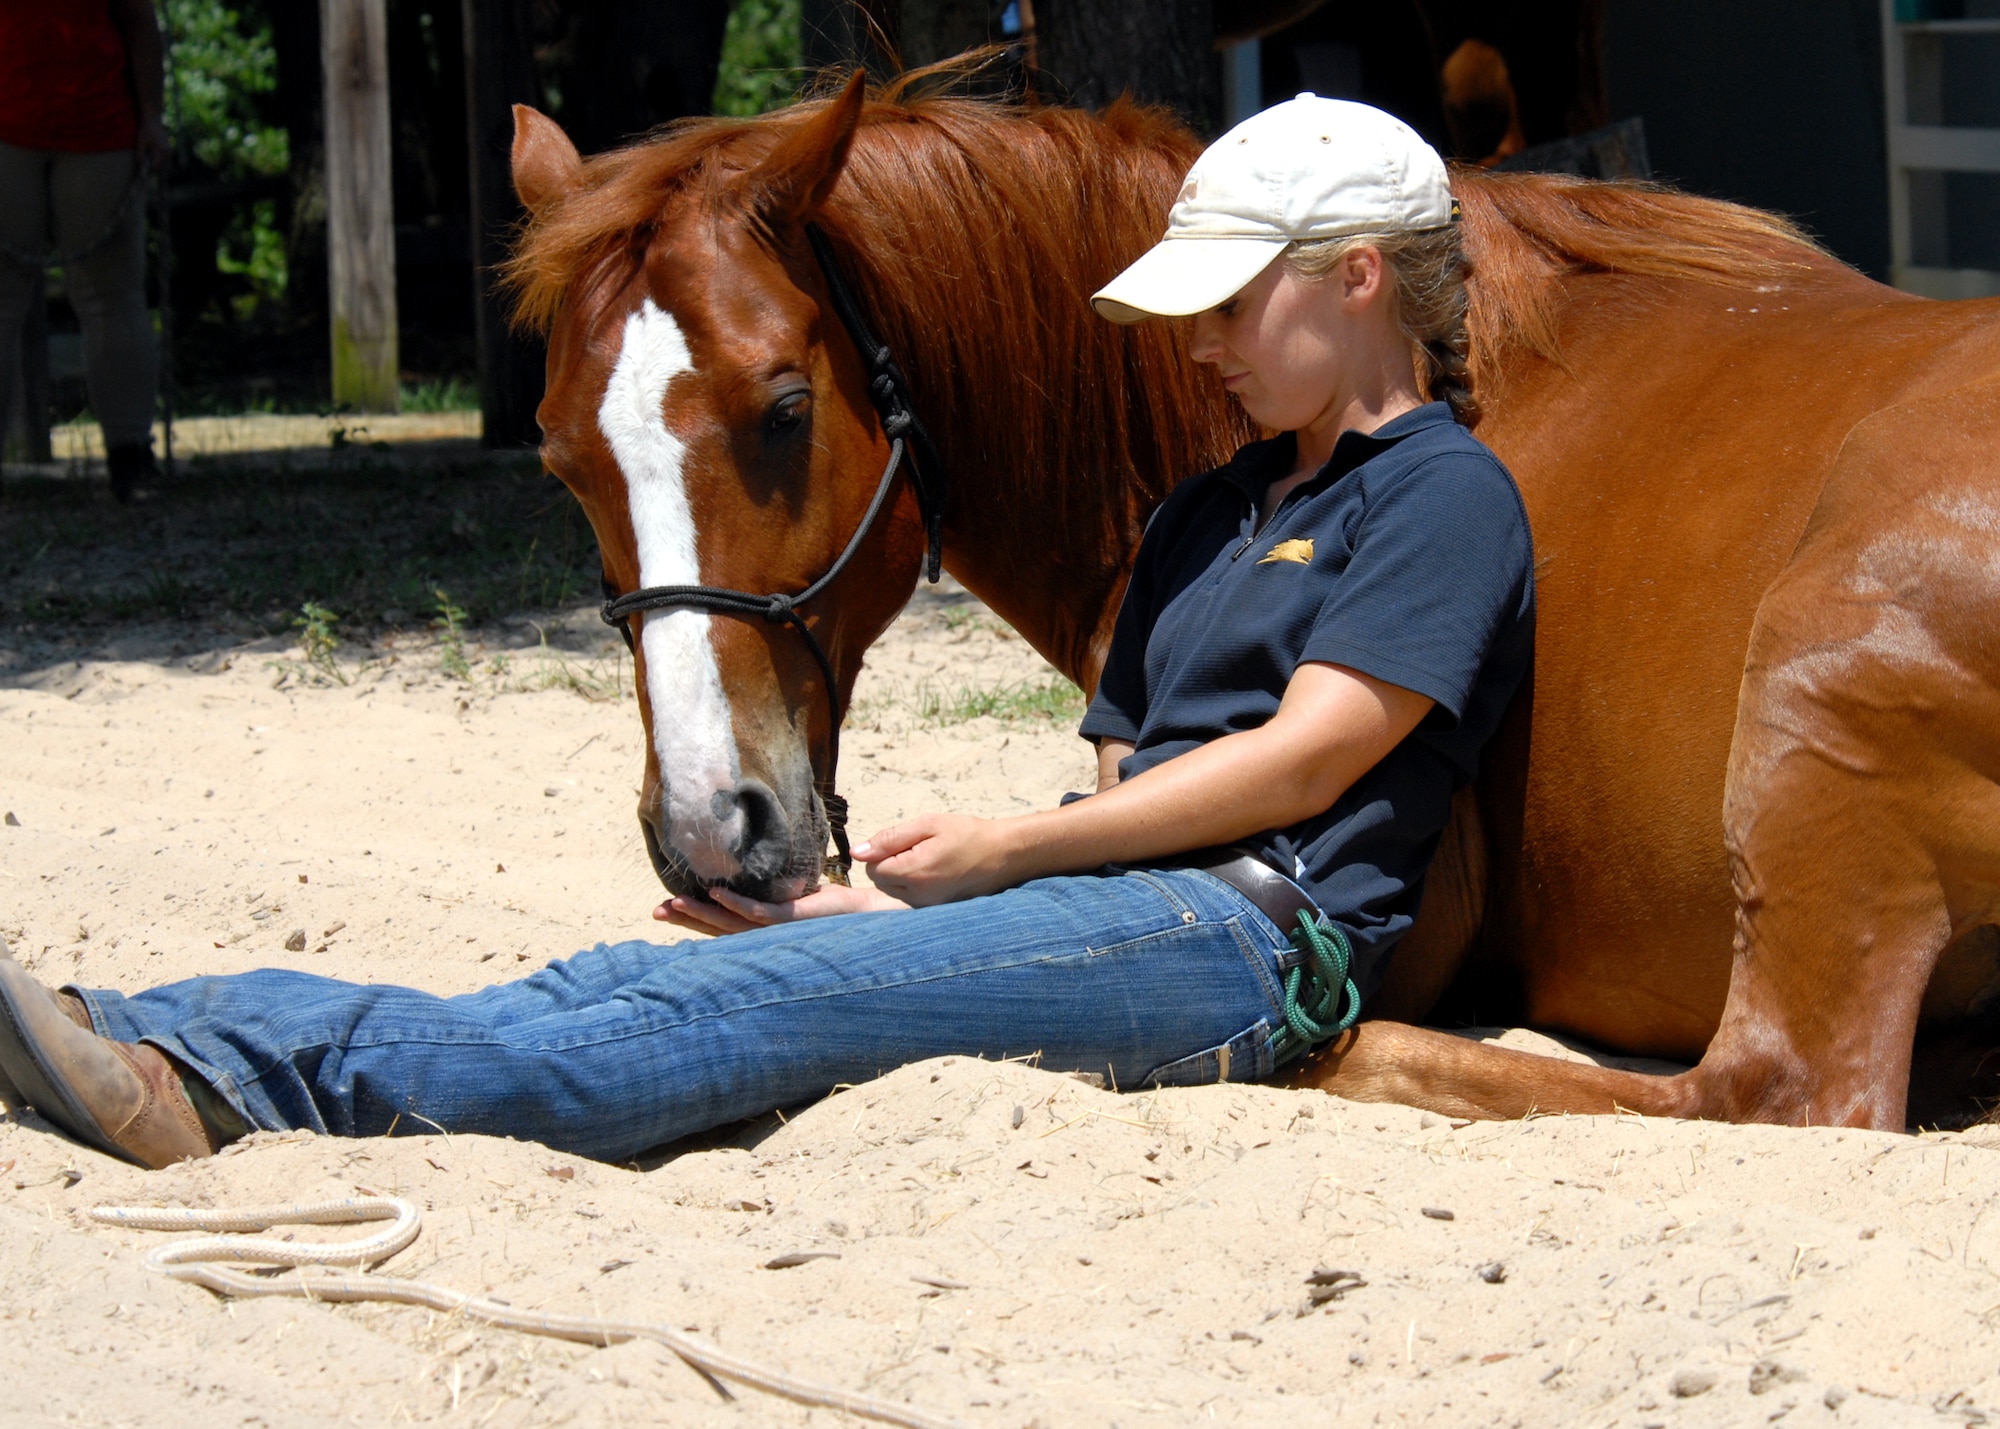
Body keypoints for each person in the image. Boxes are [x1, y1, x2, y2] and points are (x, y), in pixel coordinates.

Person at [0, 97, 1535, 1169]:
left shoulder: (1443, 494)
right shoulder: (1210, 510)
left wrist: (997, 860)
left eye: (1229, 307)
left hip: (1261, 941)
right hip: (1142, 910)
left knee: (713, 1021)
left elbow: (1315, 755)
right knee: (650, 977)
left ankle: (204, 1076)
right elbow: (1127, 777)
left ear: (1356, 280)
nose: (1198, 346)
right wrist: (902, 916)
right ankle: (136, 1032)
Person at [0, 0, 166, 504]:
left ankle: (130, 455)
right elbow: (140, 22)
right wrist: (151, 118)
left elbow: (138, 20)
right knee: (104, 299)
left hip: (96, 127)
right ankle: (131, 460)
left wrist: (152, 118)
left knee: (108, 297)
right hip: (68, 126)